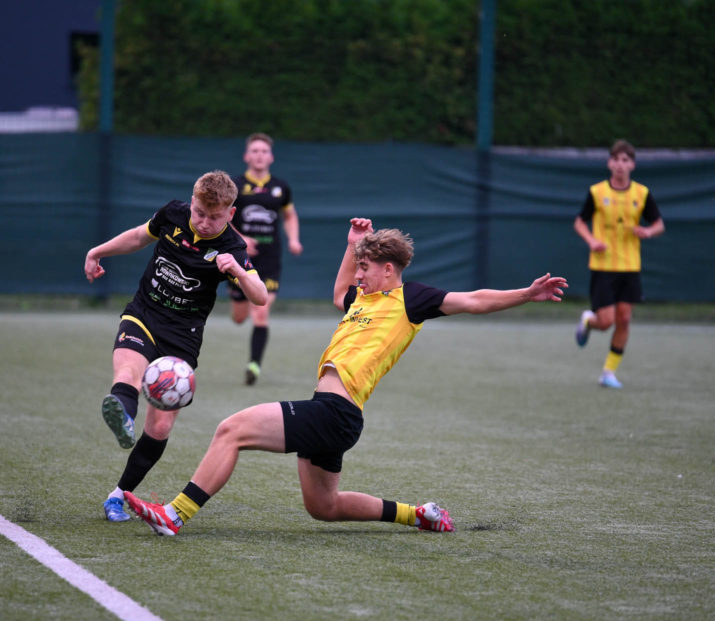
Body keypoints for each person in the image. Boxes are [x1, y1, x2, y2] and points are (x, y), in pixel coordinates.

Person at [123, 218, 567, 536]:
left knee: (231, 429)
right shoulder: (362, 299)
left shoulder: (411, 299)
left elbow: (473, 300)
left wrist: (526, 294)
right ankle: (419, 514)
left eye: (365, 267)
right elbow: (339, 292)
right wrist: (351, 245)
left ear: (388, 269)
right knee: (324, 507)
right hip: (335, 414)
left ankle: (175, 515)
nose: (359, 275)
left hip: (335, 412)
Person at [83, 170, 269, 521]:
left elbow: (259, 296)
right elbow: (139, 236)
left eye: (214, 217)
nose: (204, 222)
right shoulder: (173, 213)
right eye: (199, 212)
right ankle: (123, 414)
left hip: (183, 336)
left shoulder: (232, 247)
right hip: (144, 312)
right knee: (129, 371)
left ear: (230, 214)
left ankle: (118, 496)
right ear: (192, 201)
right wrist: (98, 252)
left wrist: (239, 271)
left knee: (160, 428)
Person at [573, 139, 666, 389]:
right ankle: (588, 321)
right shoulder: (597, 192)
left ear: (632, 165)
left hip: (630, 266)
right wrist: (591, 241)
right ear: (609, 163)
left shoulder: (642, 194)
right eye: (616, 159)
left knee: (624, 319)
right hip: (603, 266)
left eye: (625, 160)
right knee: (606, 322)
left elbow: (659, 224)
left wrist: (648, 232)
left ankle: (608, 373)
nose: (620, 165)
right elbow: (579, 222)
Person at [228, 132, 302, 385]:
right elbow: (223, 219)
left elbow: (290, 216)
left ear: (271, 157)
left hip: (270, 260)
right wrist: (241, 239)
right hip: (240, 260)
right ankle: (239, 301)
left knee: (260, 312)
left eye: (264, 151)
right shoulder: (235, 186)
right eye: (255, 151)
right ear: (246, 156)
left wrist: (294, 239)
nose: (259, 155)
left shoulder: (280, 187)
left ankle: (254, 366)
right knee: (240, 317)